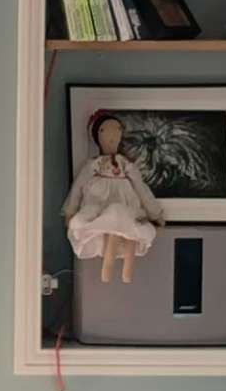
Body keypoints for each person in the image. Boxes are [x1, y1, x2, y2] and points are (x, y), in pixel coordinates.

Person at [63, 112, 162, 284]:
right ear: (97, 137)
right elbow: (78, 187)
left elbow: (141, 187)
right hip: (101, 204)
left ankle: (127, 271)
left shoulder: (126, 165)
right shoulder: (94, 165)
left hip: (126, 205)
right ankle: (107, 269)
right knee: (112, 221)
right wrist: (70, 210)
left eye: (116, 131)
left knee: (130, 227)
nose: (112, 137)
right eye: (105, 132)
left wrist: (154, 212)